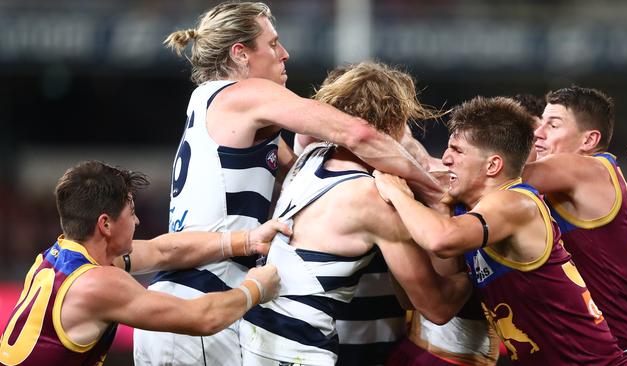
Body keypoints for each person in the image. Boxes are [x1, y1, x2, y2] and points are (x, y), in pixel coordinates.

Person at [135, 3, 444, 364]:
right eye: (273, 43)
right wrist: (433, 189)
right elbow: (357, 133)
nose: (285, 54)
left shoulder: (209, 102)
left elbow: (306, 168)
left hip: (181, 295)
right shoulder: (245, 94)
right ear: (241, 54)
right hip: (206, 294)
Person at [238, 61, 471, 366]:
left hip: (255, 336)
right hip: (299, 350)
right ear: (394, 124)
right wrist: (478, 272)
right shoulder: (374, 198)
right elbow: (437, 307)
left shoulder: (309, 157)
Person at [374, 96, 627, 365]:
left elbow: (441, 238)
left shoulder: (517, 203)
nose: (446, 159)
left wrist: (396, 192)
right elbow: (436, 302)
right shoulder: (470, 214)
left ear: (493, 165)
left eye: (457, 151)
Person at [0, 161, 286, 366]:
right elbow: (203, 318)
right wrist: (256, 288)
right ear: (106, 224)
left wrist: (246, 240)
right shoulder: (98, 284)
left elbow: (161, 251)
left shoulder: (58, 256)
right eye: (132, 212)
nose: (137, 221)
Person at [523, 86, 627, 364]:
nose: (538, 132)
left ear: (589, 139)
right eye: (541, 123)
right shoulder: (571, 187)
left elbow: (496, 173)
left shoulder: (588, 169)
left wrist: (416, 166)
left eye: (553, 125)